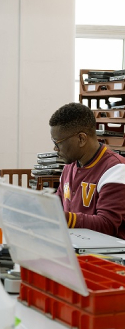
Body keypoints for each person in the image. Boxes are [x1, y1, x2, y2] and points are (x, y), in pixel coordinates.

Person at [50, 102, 125, 240]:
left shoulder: (116, 169)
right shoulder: (69, 167)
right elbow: (57, 203)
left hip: (107, 256)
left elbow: (107, 225)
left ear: (81, 139)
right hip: (75, 246)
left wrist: (62, 217)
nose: (55, 149)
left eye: (58, 143)